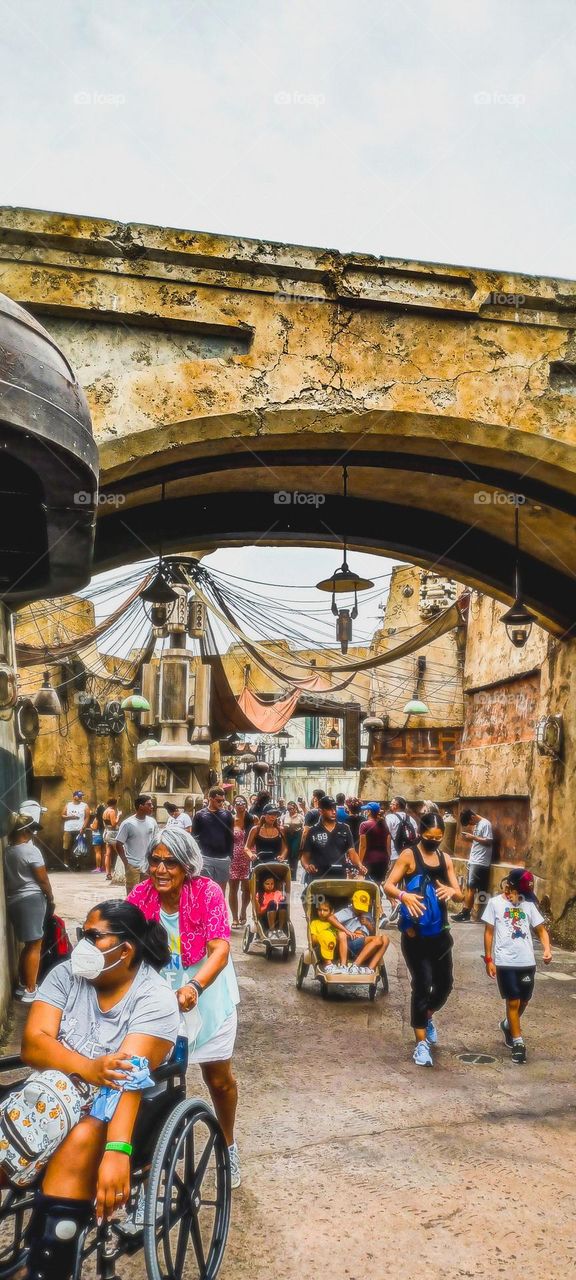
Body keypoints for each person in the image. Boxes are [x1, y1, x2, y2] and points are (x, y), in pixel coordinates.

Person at [19, 900, 180, 1280]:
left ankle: (46, 1268)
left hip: (123, 1110)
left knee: (83, 1134)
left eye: (94, 936)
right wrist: (89, 1068)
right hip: (54, 1094)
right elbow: (33, 1045)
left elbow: (128, 1078)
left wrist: (117, 1151)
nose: (82, 946)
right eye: (82, 935)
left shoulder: (154, 999)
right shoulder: (64, 977)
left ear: (126, 949)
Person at [128, 826, 242, 1187]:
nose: (160, 870)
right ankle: (148, 1165)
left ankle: (228, 1145)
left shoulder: (206, 892)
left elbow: (219, 949)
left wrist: (195, 986)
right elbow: (121, 938)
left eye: (170, 863)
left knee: (218, 1080)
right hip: (159, 1001)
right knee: (151, 1083)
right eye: (155, 861)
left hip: (207, 994)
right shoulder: (141, 896)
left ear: (187, 866)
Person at [384, 813, 464, 1067]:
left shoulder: (445, 859)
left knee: (445, 984)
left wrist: (454, 891)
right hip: (414, 935)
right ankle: (421, 1044)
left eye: (438, 838)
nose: (434, 842)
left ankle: (427, 1015)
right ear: (421, 833)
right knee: (422, 983)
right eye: (430, 837)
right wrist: (403, 895)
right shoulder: (409, 856)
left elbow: (461, 896)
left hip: (440, 933)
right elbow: (389, 885)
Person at [482, 867, 552, 1064]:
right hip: (505, 962)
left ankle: (507, 1025)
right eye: (519, 893)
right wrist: (489, 959)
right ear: (508, 888)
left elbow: (541, 930)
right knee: (513, 1001)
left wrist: (547, 949)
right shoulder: (495, 904)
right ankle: (518, 1041)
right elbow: (488, 932)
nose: (522, 897)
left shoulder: (529, 905)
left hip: (527, 962)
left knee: (524, 1001)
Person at [5, 811, 55, 1003]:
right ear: (25, 830)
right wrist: (50, 897)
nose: (34, 833)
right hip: (32, 899)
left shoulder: (8, 851)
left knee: (28, 945)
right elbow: (42, 880)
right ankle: (31, 989)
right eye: (33, 829)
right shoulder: (30, 851)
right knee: (36, 944)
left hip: (14, 900)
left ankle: (21, 985)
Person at [300, 796, 366, 883]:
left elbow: (352, 853)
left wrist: (359, 865)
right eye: (329, 809)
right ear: (321, 811)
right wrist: (307, 866)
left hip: (339, 877)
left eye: (334, 808)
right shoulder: (313, 831)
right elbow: (304, 857)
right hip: (318, 878)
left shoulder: (345, 828)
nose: (333, 811)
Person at [332, 888, 390, 973]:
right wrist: (348, 932)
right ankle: (354, 966)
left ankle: (368, 968)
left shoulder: (367, 914)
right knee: (378, 939)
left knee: (385, 939)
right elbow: (332, 918)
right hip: (351, 941)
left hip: (365, 941)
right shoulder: (347, 912)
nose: (360, 910)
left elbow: (374, 932)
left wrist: (368, 924)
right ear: (353, 903)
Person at [453, 807, 494, 922]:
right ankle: (478, 914)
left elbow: (489, 841)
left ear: (472, 817)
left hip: (480, 861)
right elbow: (480, 841)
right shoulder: (478, 825)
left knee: (471, 888)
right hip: (474, 859)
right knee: (475, 888)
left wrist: (473, 837)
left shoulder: (485, 824)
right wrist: (472, 839)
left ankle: (465, 913)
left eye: (470, 822)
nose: (471, 825)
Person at [192, 785, 234, 888]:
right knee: (205, 888)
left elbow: (230, 837)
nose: (221, 803)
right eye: (218, 800)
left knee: (221, 889)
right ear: (210, 798)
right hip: (205, 857)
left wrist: (230, 855)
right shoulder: (199, 815)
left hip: (223, 858)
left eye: (223, 801)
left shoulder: (227, 815)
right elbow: (194, 837)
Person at [115, 796, 158, 895]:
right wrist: (126, 862)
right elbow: (118, 844)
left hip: (147, 864)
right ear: (140, 806)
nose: (152, 806)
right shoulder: (128, 824)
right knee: (132, 893)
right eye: (149, 804)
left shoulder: (152, 822)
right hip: (133, 864)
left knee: (147, 892)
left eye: (151, 804)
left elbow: (156, 841)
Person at [229, 796, 254, 927]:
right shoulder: (231, 820)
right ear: (234, 805)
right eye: (238, 803)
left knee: (247, 888)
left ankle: (243, 911)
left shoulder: (252, 819)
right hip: (233, 858)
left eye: (243, 802)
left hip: (248, 857)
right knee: (233, 888)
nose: (241, 805)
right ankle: (234, 918)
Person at [309, 898, 349, 972]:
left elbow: (340, 937)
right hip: (320, 948)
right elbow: (313, 940)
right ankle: (328, 964)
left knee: (342, 934)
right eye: (319, 910)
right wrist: (323, 937)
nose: (322, 912)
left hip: (335, 949)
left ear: (331, 911)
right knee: (326, 935)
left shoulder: (334, 923)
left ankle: (343, 965)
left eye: (325, 910)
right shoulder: (315, 923)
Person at [358, 802, 390, 884]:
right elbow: (388, 844)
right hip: (383, 859)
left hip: (370, 860)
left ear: (368, 811)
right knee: (377, 885)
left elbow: (363, 846)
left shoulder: (364, 825)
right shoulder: (384, 824)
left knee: (369, 886)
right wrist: (389, 858)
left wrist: (359, 863)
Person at [385, 796, 419, 865]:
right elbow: (415, 836)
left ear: (396, 805)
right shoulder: (412, 819)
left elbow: (386, 836)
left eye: (392, 804)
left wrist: (388, 854)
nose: (390, 805)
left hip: (394, 855)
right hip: (409, 855)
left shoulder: (390, 817)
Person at [61, 790, 90, 870]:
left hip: (79, 830)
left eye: (81, 796)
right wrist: (71, 817)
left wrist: (83, 827)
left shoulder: (85, 806)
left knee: (79, 847)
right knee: (66, 847)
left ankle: (78, 864)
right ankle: (66, 863)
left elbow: (87, 817)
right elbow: (62, 815)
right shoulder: (68, 805)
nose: (81, 797)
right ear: (74, 796)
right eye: (79, 796)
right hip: (68, 829)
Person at [255, 872, 289, 941]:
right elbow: (258, 912)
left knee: (283, 902)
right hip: (265, 916)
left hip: (278, 916)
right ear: (262, 884)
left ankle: (280, 930)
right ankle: (271, 931)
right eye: (267, 884)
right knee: (272, 903)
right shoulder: (260, 895)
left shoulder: (278, 893)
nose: (270, 886)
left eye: (272, 884)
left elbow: (282, 903)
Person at [281, 800, 304, 877]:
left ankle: (293, 872)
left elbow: (303, 828)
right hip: (287, 835)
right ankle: (288, 871)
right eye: (288, 809)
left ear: (295, 808)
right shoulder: (284, 816)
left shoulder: (300, 817)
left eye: (291, 809)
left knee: (294, 852)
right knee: (287, 853)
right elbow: (281, 825)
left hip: (297, 835)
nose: (290, 810)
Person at [102, 798, 121, 881]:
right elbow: (113, 824)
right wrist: (118, 816)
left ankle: (108, 874)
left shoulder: (105, 811)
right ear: (115, 804)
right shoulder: (112, 811)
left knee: (108, 854)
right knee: (120, 852)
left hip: (107, 832)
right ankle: (121, 872)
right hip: (113, 833)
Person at [90, 803, 106, 874]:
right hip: (103, 836)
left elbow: (94, 828)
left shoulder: (97, 819)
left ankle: (98, 868)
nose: (95, 810)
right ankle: (104, 867)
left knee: (97, 852)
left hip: (97, 836)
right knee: (104, 852)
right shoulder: (105, 818)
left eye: (96, 809)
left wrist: (91, 826)